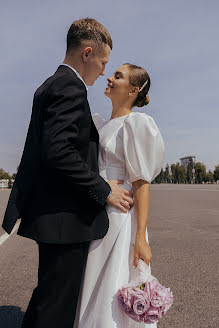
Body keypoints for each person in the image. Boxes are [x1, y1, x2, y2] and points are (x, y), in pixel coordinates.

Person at [1, 19, 133, 328]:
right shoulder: (69, 87)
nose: (103, 71)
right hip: (65, 217)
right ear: (87, 53)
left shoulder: (52, 83)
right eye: (103, 62)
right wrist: (103, 188)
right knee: (56, 307)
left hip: (53, 214)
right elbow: (58, 153)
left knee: (49, 296)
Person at [75, 63, 165, 328]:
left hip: (119, 215)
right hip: (97, 206)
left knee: (113, 282)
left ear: (133, 90)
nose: (110, 79)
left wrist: (140, 237)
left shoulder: (136, 124)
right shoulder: (101, 124)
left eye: (118, 76)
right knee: (92, 281)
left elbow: (141, 182)